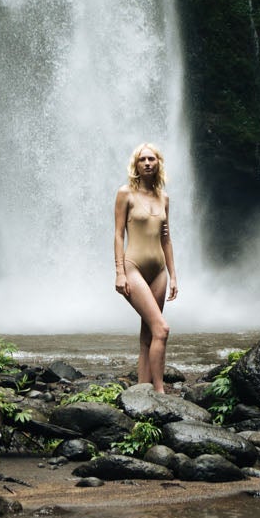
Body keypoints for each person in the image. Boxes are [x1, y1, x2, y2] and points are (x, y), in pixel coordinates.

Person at [112, 142, 179, 392]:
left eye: (152, 159)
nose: (148, 163)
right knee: (162, 328)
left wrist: (173, 277)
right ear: (136, 165)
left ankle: (142, 389)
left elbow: (166, 239)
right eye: (143, 160)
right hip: (133, 268)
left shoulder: (164, 198)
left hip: (159, 271)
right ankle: (160, 392)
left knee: (149, 334)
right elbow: (118, 235)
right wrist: (119, 272)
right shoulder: (125, 193)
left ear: (158, 163)